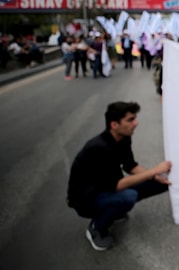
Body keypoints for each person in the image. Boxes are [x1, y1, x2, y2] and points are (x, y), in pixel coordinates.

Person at [67, 101, 171, 251]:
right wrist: (153, 171)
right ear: (114, 125)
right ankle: (96, 228)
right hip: (85, 200)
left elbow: (131, 166)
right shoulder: (98, 148)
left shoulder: (123, 138)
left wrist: (156, 177)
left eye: (135, 118)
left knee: (162, 182)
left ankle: (114, 210)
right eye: (130, 120)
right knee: (128, 197)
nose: (136, 123)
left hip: (107, 188)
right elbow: (117, 185)